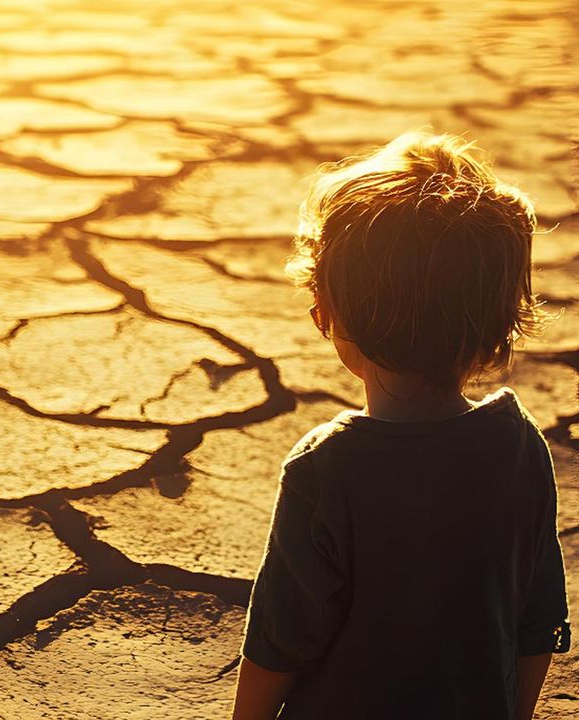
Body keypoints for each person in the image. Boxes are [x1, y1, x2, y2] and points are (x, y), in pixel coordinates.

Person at [229, 129, 571, 719]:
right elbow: (538, 620)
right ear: (497, 325)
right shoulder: (519, 447)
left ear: (327, 316)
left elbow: (278, 641)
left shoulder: (326, 469)